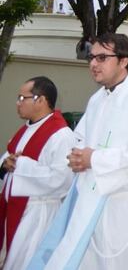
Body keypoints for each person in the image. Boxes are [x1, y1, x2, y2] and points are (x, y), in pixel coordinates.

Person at [29, 33, 128, 269]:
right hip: (88, 200)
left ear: (124, 60)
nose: (93, 64)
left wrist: (94, 158)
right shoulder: (97, 100)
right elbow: (80, 140)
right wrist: (75, 157)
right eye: (91, 58)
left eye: (102, 58)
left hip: (123, 207)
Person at [0, 77, 75, 270]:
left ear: (40, 100)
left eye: (22, 98)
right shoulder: (27, 128)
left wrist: (21, 164)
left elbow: (63, 179)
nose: (18, 103)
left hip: (37, 214)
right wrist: (5, 163)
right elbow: (8, 155)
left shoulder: (61, 135)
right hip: (14, 208)